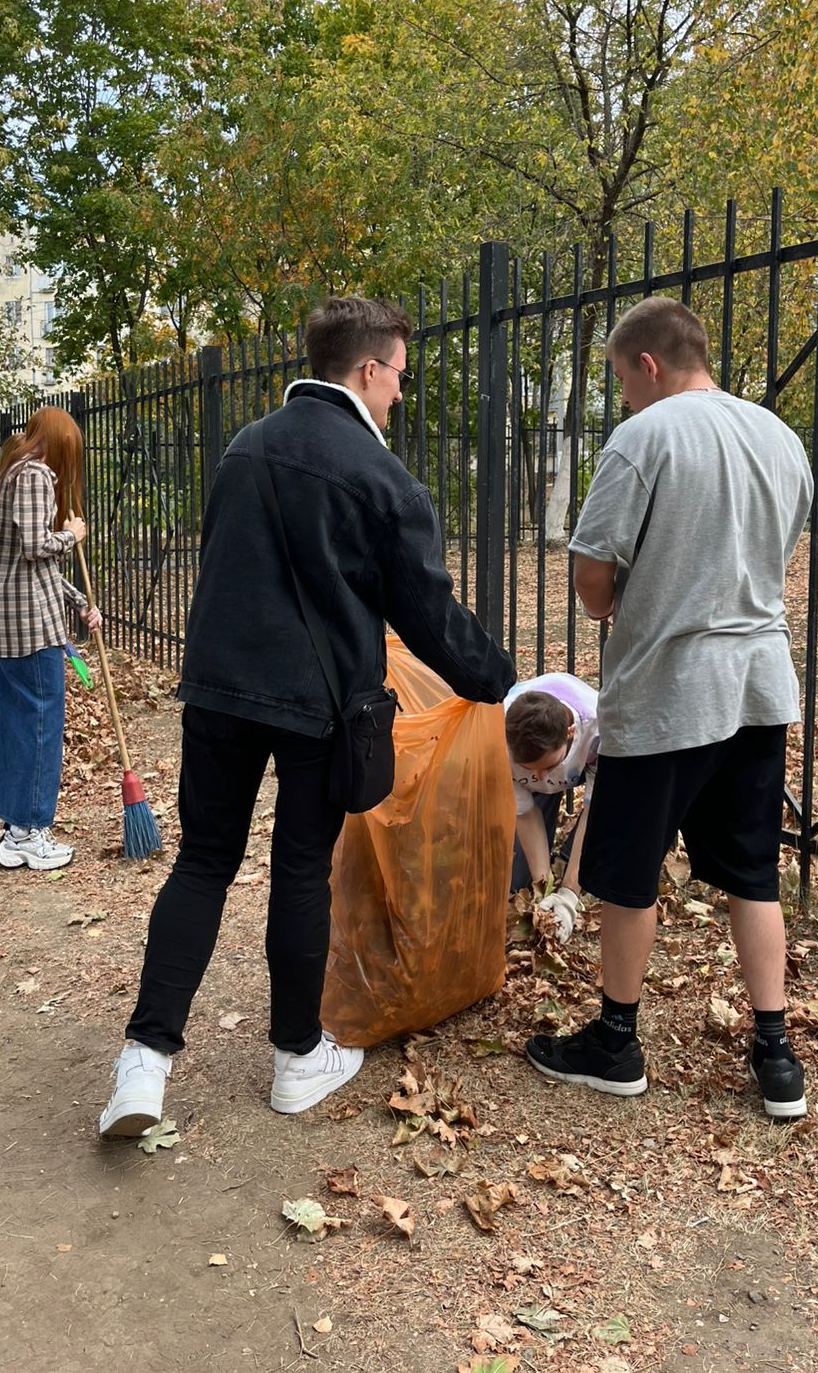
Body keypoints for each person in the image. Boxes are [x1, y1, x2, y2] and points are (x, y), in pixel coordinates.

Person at [99, 295, 516, 1136]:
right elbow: (427, 612)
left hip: (217, 689)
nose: (401, 390)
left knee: (202, 864)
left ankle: (142, 1066)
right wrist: (499, 679)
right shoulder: (380, 475)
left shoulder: (243, 449)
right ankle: (295, 1059)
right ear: (368, 369)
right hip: (320, 706)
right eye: (399, 373)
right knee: (298, 872)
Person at [525, 296, 813, 1120]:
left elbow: (591, 575)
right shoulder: (779, 438)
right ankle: (776, 1053)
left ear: (648, 364)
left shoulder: (643, 438)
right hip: (759, 686)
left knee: (627, 876)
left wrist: (616, 602)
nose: (623, 396)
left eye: (621, 379)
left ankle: (616, 1042)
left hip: (668, 693)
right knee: (752, 872)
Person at [0, 406, 102, 873]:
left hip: (8, 624)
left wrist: (76, 601)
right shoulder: (33, 475)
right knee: (38, 726)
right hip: (30, 630)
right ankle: (30, 831)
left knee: (13, 726)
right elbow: (37, 546)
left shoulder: (6, 475)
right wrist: (70, 535)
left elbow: (26, 563)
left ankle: (16, 828)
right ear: (59, 444)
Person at [504, 673, 599, 942]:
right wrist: (542, 890)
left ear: (569, 733)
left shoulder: (599, 729)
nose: (541, 778)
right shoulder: (497, 737)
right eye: (529, 769)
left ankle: (568, 860)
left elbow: (596, 813)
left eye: (547, 767)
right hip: (541, 766)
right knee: (516, 881)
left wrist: (569, 894)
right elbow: (523, 812)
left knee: (600, 863)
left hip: (582, 761)